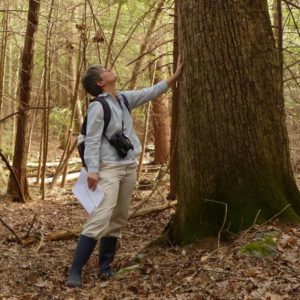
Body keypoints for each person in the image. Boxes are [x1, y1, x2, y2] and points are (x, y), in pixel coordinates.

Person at [66, 57, 183, 287]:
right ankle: (75, 270)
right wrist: (92, 170)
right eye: (104, 70)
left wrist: (175, 76)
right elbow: (90, 140)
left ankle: (105, 267)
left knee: (119, 216)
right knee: (100, 216)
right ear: (100, 82)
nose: (110, 69)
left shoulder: (122, 99)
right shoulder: (98, 106)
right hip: (107, 170)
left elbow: (150, 92)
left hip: (128, 167)